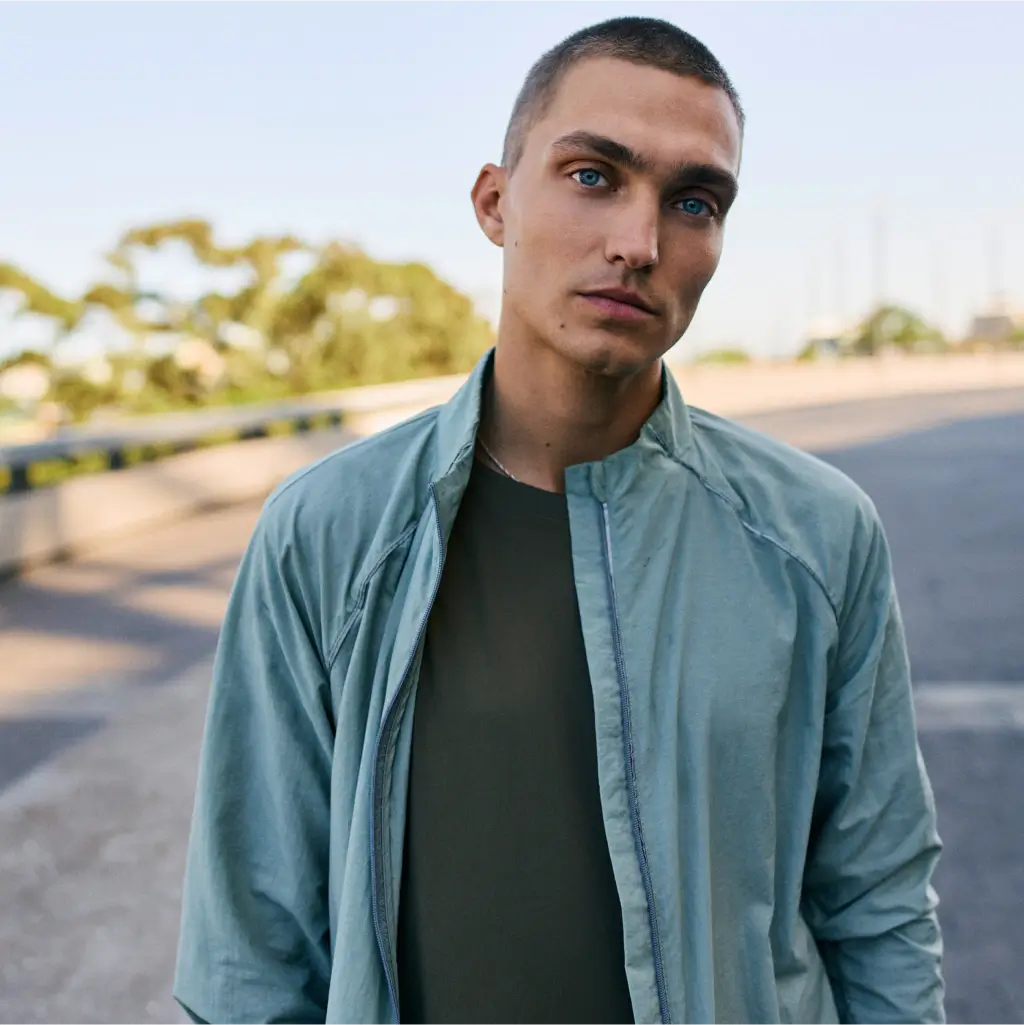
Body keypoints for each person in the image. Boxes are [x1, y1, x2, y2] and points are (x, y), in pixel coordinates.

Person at [174, 16, 945, 1025]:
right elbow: (251, 952)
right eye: (592, 176)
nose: (639, 242)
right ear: (495, 202)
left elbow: (878, 904)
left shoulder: (817, 536)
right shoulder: (327, 531)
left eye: (694, 201)